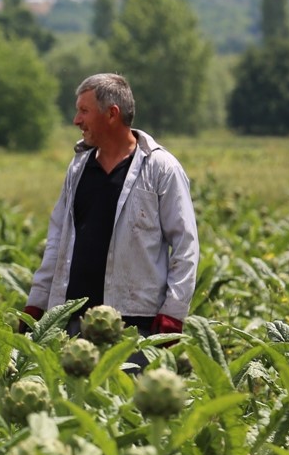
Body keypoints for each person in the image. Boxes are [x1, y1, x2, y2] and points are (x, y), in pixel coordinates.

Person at [23, 72, 198, 353]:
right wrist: (37, 301)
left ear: (112, 114)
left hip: (135, 324)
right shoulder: (78, 169)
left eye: (84, 111)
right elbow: (57, 241)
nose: (76, 120)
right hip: (73, 321)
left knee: (128, 396)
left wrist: (173, 314)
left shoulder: (161, 168)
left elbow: (185, 246)